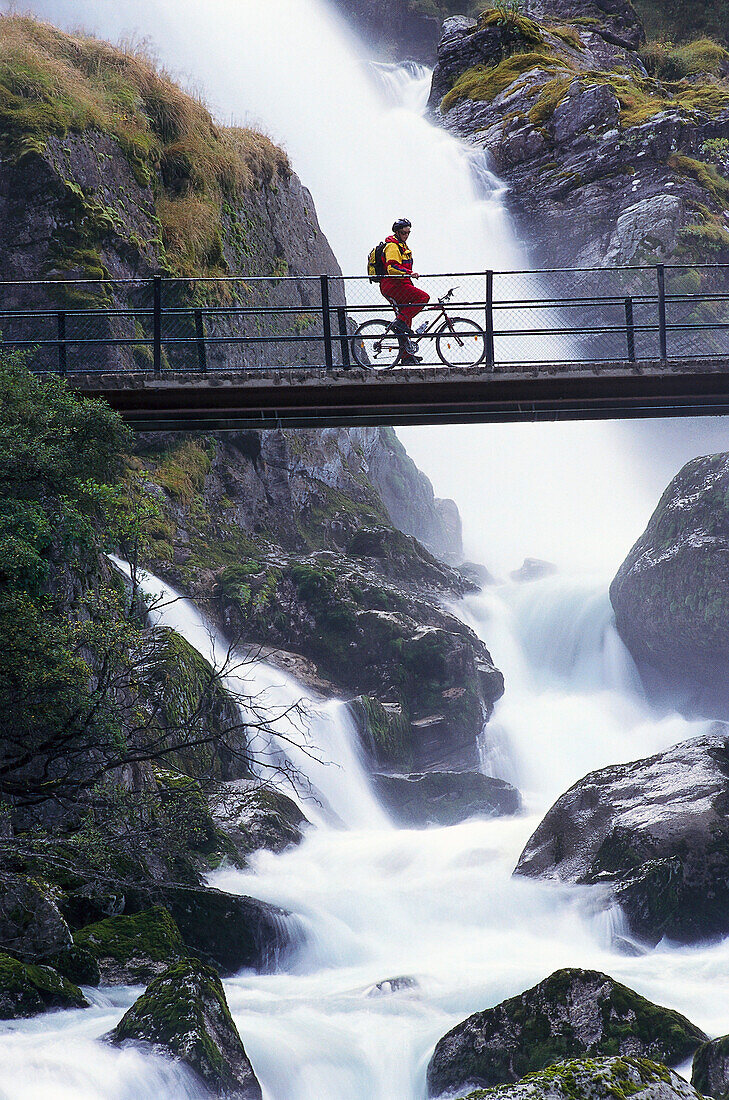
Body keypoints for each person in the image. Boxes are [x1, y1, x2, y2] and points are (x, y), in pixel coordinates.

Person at [380, 218, 430, 365]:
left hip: (399, 284)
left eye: (408, 232)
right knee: (423, 297)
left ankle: (406, 356)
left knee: (407, 317)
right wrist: (409, 273)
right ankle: (399, 323)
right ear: (397, 232)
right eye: (403, 232)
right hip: (394, 285)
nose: (406, 235)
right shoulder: (393, 247)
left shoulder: (401, 245)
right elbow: (391, 268)